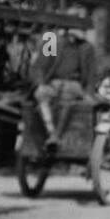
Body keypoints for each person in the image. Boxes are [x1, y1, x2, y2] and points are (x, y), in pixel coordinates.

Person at [31, 22, 97, 153]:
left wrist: (89, 93)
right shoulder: (52, 40)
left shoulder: (86, 47)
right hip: (53, 83)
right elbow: (41, 65)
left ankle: (55, 137)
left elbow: (91, 73)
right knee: (41, 94)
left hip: (74, 84)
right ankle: (52, 133)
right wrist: (41, 83)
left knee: (67, 97)